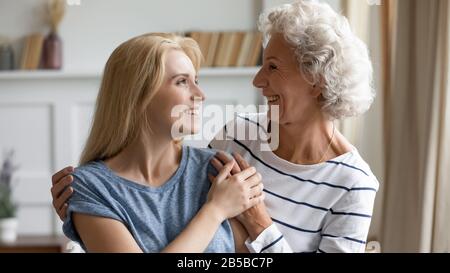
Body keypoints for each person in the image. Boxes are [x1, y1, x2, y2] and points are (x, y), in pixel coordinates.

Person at [52, 0, 379, 253]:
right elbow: (168, 205)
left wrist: (259, 224)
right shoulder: (235, 141)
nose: (257, 80)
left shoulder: (354, 183)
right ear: (136, 95)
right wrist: (87, 207)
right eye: (183, 81)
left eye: (273, 67)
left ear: (315, 81)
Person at [54, 32, 264, 253]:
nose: (200, 94)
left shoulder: (218, 171)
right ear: (137, 93)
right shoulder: (91, 187)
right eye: (182, 82)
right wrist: (215, 210)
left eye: (196, 81)